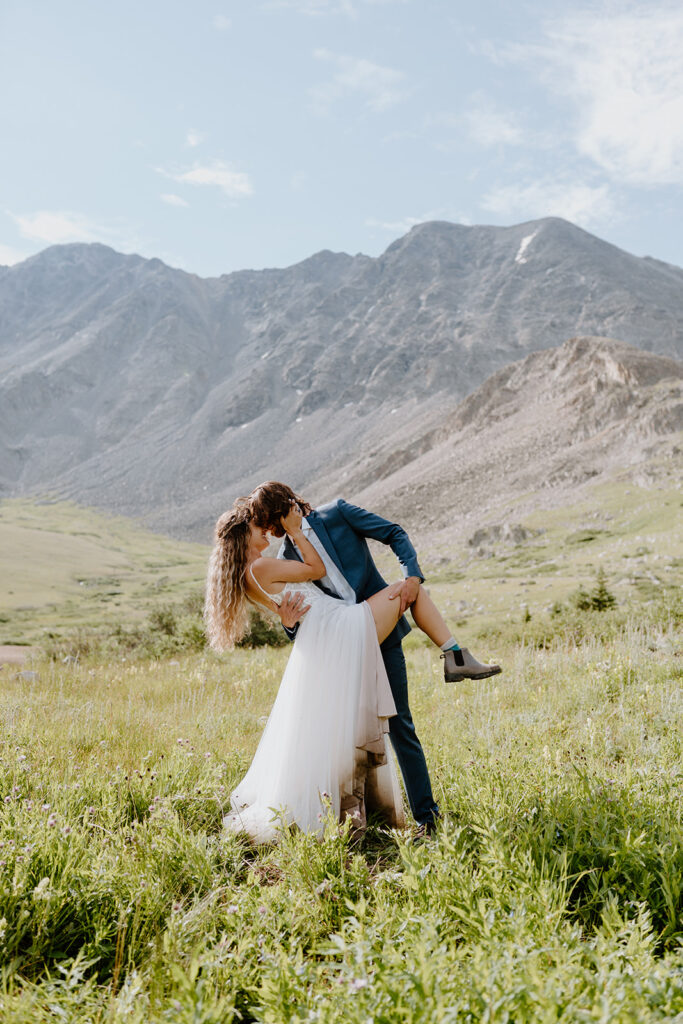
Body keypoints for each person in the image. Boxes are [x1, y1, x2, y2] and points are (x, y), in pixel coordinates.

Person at [204, 484, 501, 842]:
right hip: (346, 631)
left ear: (285, 508)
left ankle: (421, 815)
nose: (266, 530)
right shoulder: (276, 556)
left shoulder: (335, 514)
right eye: (259, 525)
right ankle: (455, 655)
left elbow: (392, 533)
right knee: (354, 731)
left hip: (359, 632)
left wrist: (413, 572)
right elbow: (305, 597)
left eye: (267, 521)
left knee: (396, 724)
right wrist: (295, 543)